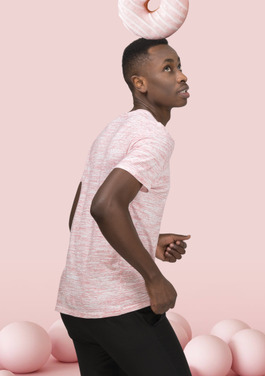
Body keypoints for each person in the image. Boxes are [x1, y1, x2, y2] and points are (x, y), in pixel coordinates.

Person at [55, 37, 192, 375]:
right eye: (168, 68)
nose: (182, 76)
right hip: (119, 308)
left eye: (179, 65)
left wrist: (148, 239)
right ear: (140, 84)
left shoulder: (112, 130)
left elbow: (79, 216)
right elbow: (104, 206)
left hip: (77, 306)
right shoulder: (154, 137)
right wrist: (153, 276)